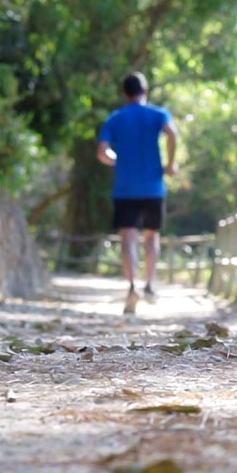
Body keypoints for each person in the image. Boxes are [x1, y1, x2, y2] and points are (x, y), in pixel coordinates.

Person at [96, 72, 179, 314]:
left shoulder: (115, 118)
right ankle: (150, 285)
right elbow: (172, 133)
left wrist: (115, 161)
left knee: (128, 238)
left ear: (124, 94)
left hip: (124, 189)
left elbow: (102, 152)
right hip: (153, 186)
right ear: (146, 92)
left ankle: (132, 287)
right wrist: (171, 164)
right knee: (151, 237)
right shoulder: (157, 114)